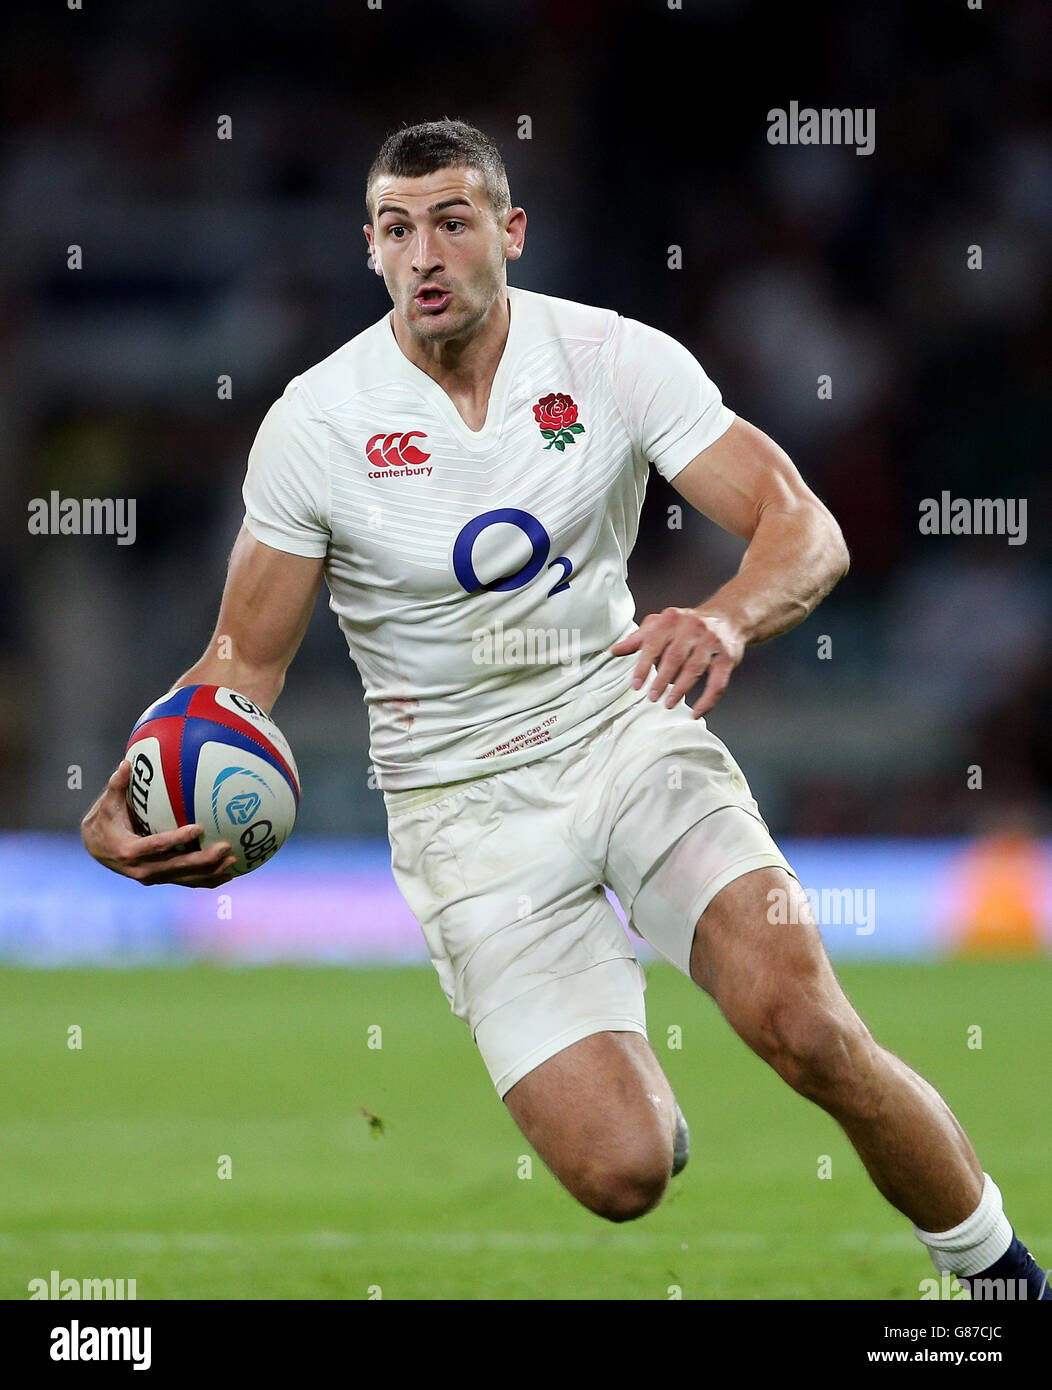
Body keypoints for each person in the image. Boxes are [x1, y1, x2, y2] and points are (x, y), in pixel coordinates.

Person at [82, 119, 1047, 1300]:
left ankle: (997, 1279)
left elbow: (805, 525)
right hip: (461, 811)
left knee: (804, 1025)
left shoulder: (613, 359)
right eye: (396, 230)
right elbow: (241, 664)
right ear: (371, 251)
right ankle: (623, 1074)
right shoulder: (317, 422)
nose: (423, 253)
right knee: (623, 1171)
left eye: (451, 221)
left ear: (510, 231)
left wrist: (727, 617)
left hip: (622, 726)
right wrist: (132, 787)